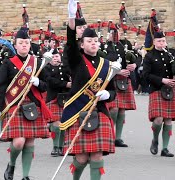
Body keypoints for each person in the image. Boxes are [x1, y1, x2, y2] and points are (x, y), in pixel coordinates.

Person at [62, 1, 117, 179]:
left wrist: (108, 95)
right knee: (82, 158)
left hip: (99, 111)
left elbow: (113, 91)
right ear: (82, 44)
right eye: (89, 41)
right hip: (78, 111)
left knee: (97, 155)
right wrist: (71, 18)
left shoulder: (106, 64)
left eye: (95, 41)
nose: (93, 43)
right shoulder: (76, 60)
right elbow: (70, 43)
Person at [0, 29, 52, 180]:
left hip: (32, 104)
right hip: (14, 103)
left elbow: (46, 85)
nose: (24, 45)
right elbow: (1, 87)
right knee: (18, 142)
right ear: (15, 45)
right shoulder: (8, 63)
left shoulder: (37, 62)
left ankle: (25, 175)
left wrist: (38, 82)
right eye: (21, 43)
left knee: (30, 141)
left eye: (26, 42)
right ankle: (11, 164)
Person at [142, 31, 175, 157]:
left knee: (168, 120)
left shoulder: (171, 55)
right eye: (159, 41)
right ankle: (155, 139)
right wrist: (162, 80)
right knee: (158, 119)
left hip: (170, 89)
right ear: (154, 42)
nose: (162, 43)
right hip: (156, 89)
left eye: (163, 41)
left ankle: (165, 148)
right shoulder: (149, 56)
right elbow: (145, 75)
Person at [104, 28, 137, 147]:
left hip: (124, 81)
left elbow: (136, 57)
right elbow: (103, 63)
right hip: (111, 80)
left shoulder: (126, 45)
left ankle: (118, 138)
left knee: (122, 110)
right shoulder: (104, 46)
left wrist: (134, 64)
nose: (116, 35)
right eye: (113, 33)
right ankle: (110, 135)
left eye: (118, 32)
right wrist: (118, 72)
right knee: (113, 109)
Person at [45, 48, 71, 157]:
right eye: (53, 57)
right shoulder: (46, 68)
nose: (56, 58)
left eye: (57, 56)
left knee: (64, 124)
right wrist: (65, 84)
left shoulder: (65, 67)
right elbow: (50, 81)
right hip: (53, 98)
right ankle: (55, 146)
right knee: (56, 124)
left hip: (66, 99)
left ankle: (61, 147)